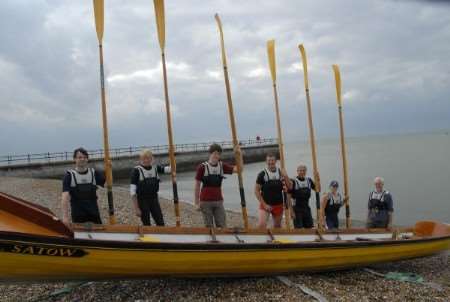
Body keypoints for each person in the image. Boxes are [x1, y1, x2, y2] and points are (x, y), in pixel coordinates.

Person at [194, 143, 242, 228]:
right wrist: (196, 203)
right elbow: (197, 186)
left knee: (222, 226)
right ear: (210, 153)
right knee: (209, 227)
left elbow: (239, 169)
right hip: (205, 202)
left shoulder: (222, 166)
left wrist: (239, 155)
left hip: (218, 201)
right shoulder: (202, 167)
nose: (216, 156)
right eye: (215, 153)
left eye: (218, 154)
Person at [61, 147, 105, 224]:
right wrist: (65, 217)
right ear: (75, 159)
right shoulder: (69, 176)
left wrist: (109, 169)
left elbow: (108, 185)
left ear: (87, 159)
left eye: (85, 157)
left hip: (94, 213)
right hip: (78, 214)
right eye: (80, 157)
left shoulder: (94, 173)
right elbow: (65, 196)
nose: (82, 159)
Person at [130, 149, 170, 226]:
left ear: (152, 159)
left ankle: (161, 235)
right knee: (146, 223)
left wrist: (172, 156)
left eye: (148, 158)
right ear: (140, 159)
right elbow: (132, 192)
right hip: (142, 200)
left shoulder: (155, 168)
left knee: (160, 221)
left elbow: (170, 169)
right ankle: (148, 236)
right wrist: (136, 208)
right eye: (144, 158)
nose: (146, 160)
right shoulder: (136, 171)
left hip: (154, 198)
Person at [255, 153, 289, 228]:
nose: (271, 162)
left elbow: (289, 187)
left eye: (272, 160)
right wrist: (264, 205)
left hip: (278, 204)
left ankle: (273, 238)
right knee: (261, 225)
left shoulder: (281, 172)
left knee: (277, 226)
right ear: (266, 162)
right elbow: (256, 191)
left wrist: (286, 175)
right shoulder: (262, 174)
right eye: (269, 160)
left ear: (276, 161)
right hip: (266, 204)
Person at [287, 164, 318, 229]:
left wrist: (318, 179)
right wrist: (291, 211)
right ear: (297, 171)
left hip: (306, 208)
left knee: (310, 228)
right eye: (300, 170)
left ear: (306, 171)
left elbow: (318, 189)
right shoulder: (293, 181)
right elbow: (288, 197)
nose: (302, 172)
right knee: (299, 229)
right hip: (297, 209)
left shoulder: (309, 180)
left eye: (303, 170)